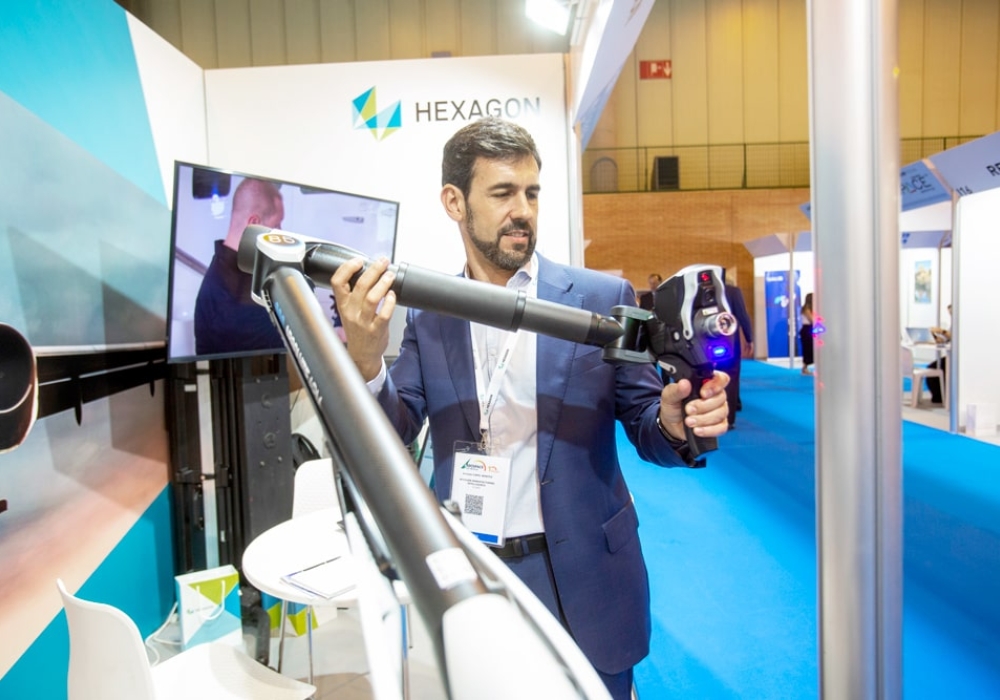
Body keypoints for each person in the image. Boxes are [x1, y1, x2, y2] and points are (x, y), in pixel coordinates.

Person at [330, 117, 730, 700]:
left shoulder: (599, 299)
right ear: (454, 202)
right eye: (502, 193)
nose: (523, 211)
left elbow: (648, 423)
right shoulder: (430, 314)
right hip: (476, 575)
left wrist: (673, 423)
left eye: (532, 193)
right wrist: (366, 358)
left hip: (587, 576)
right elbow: (395, 430)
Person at [194, 177, 286, 356]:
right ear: (254, 224)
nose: (281, 233)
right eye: (276, 225)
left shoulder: (232, 274)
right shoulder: (233, 295)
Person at [721, 280, 753, 427]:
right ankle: (728, 418)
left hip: (705, 342)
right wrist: (749, 338)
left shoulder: (700, 290)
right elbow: (742, 315)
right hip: (729, 341)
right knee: (731, 378)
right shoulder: (733, 291)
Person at [925, 304, 951, 404]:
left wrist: (942, 331)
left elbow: (954, 336)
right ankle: (939, 396)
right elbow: (948, 339)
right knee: (933, 367)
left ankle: (939, 396)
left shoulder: (961, 324)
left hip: (955, 358)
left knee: (934, 367)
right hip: (949, 356)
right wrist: (936, 337)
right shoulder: (953, 324)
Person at [799, 292, 814, 375]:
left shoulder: (810, 309)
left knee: (811, 349)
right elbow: (811, 320)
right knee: (808, 349)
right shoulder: (806, 309)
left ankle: (806, 367)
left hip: (809, 329)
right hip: (807, 329)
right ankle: (805, 367)